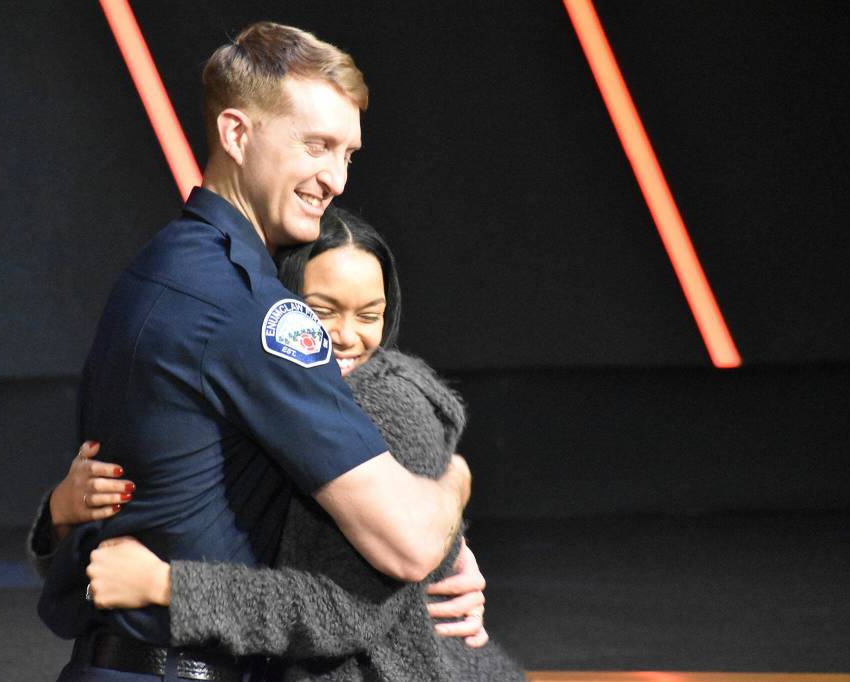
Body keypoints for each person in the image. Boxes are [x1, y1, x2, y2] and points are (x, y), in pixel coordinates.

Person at [32, 22, 474, 681]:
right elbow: (407, 541)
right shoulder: (252, 311)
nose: (336, 179)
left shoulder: (157, 269)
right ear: (237, 134)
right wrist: (454, 481)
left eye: (347, 154)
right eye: (318, 145)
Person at [35, 207, 525, 680]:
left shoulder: (384, 409)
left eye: (370, 314)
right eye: (322, 311)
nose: (347, 336)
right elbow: (89, 588)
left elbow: (352, 606)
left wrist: (168, 586)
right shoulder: (264, 405)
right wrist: (60, 516)